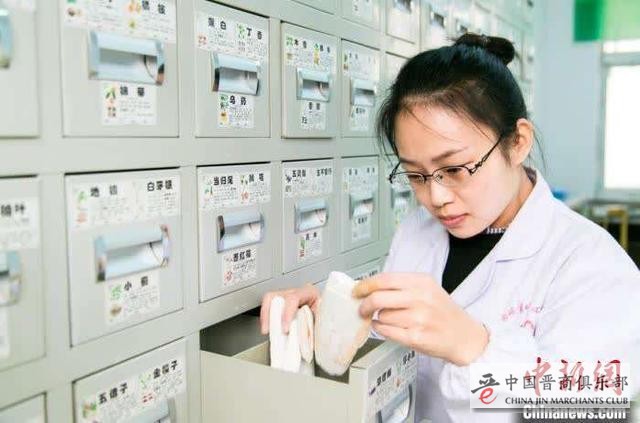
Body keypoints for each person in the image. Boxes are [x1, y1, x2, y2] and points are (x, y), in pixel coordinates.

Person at [260, 33, 640, 422]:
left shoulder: (592, 266)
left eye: (455, 169)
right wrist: (334, 317)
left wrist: (473, 345)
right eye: (416, 175)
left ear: (517, 142)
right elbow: (388, 346)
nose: (436, 197)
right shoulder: (417, 232)